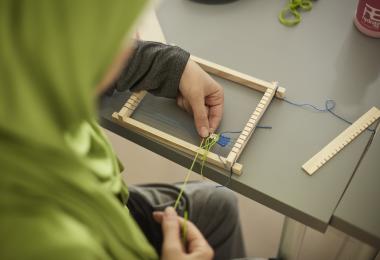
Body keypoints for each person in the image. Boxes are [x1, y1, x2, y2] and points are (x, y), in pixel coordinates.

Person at [0, 1, 246, 259]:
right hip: (98, 223)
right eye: (120, 33)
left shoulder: (24, 72)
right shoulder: (52, 243)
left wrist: (173, 67)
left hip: (107, 203)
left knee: (220, 205)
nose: (133, 38)